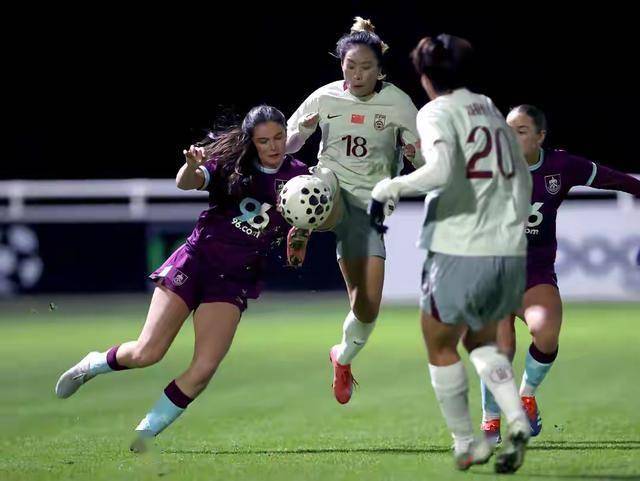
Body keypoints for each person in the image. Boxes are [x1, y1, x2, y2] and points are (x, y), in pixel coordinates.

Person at [54, 105, 309, 451]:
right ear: (251, 141)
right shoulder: (233, 164)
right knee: (147, 353)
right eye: (264, 141)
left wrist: (300, 237)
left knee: (203, 369)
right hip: (196, 262)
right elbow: (186, 182)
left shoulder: (299, 177)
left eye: (279, 137)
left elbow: (308, 220)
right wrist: (191, 166)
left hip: (233, 280)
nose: (274, 146)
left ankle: (144, 434)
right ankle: (92, 364)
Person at [370, 34, 532, 473]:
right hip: (507, 250)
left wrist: (390, 187)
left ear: (424, 76)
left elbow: (440, 170)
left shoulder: (436, 112)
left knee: (439, 343)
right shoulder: (490, 108)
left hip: (460, 246)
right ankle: (516, 419)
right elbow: (521, 174)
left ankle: (466, 443)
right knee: (479, 341)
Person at [480, 104, 640, 443]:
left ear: (540, 137)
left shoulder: (560, 166)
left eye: (521, 131)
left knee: (545, 332)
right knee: (500, 348)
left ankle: (526, 397)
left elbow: (612, 177)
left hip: (535, 272)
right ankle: (490, 422)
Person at [285, 17, 424, 404]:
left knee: (367, 307)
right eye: (350, 66)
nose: (357, 74)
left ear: (380, 69)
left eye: (366, 67)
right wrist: (302, 131)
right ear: (341, 65)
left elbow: (427, 161)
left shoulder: (398, 103)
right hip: (328, 188)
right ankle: (303, 225)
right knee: (312, 187)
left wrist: (413, 154)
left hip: (370, 205)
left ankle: (342, 356)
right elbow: (288, 144)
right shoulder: (324, 97)